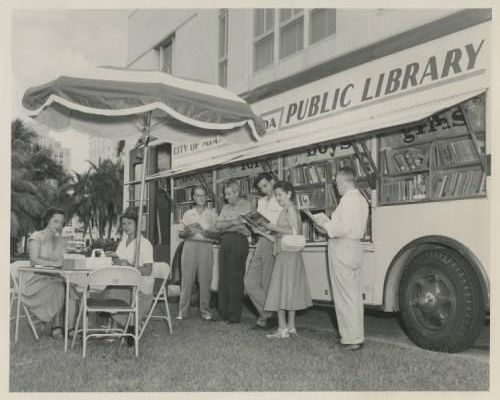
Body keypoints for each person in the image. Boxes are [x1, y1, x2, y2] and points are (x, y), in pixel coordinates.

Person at [312, 167, 369, 351]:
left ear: (344, 181)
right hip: (355, 247)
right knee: (353, 295)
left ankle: (351, 339)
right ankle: (354, 336)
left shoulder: (348, 200)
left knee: (344, 296)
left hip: (343, 248)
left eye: (337, 183)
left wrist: (325, 224)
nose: (337, 187)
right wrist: (329, 226)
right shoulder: (361, 200)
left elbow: (342, 228)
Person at [263, 181, 313, 339]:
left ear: (289, 194)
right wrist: (262, 231)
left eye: (280, 194)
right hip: (290, 254)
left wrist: (273, 227)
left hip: (286, 255)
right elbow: (280, 237)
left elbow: (293, 232)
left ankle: (282, 328)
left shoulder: (290, 209)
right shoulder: (289, 209)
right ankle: (290, 327)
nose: (278, 198)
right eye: (276, 195)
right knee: (290, 290)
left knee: (279, 290)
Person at [27, 207, 78, 339]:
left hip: (55, 278)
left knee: (72, 288)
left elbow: (64, 260)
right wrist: (55, 264)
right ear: (47, 220)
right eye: (55, 221)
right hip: (36, 280)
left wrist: (74, 259)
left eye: (61, 223)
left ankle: (70, 328)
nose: (59, 225)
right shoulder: (36, 237)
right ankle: (56, 327)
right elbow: (34, 260)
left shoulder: (60, 240)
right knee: (59, 287)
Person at [105, 209, 154, 344]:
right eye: (124, 224)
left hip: (141, 284)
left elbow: (148, 270)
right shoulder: (123, 242)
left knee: (115, 288)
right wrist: (114, 259)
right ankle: (118, 324)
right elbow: (120, 261)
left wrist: (130, 266)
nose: (126, 227)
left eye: (130, 223)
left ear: (137, 224)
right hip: (124, 280)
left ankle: (117, 327)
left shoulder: (145, 244)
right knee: (108, 286)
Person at [244, 172, 282, 329]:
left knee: (267, 282)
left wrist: (267, 227)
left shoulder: (280, 199)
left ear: (272, 182)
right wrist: (253, 226)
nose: (263, 189)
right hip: (261, 240)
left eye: (265, 185)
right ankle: (269, 314)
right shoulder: (260, 202)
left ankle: (266, 318)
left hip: (272, 240)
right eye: (260, 188)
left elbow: (282, 224)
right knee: (249, 282)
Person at [177, 185, 218, 320]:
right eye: (198, 195)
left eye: (203, 195)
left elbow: (217, 235)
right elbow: (181, 234)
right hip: (190, 246)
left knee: (205, 279)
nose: (201, 198)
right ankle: (183, 311)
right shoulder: (188, 214)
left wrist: (207, 233)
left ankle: (205, 311)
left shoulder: (212, 214)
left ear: (207, 197)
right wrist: (188, 231)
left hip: (206, 247)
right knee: (187, 279)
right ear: (194, 197)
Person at [214, 180, 252, 324]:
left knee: (235, 278)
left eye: (229, 194)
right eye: (225, 194)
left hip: (239, 241)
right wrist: (233, 222)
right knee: (223, 278)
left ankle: (234, 315)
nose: (226, 197)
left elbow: (244, 227)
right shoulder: (225, 207)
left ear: (237, 192)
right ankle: (223, 313)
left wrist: (227, 225)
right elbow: (218, 225)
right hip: (225, 241)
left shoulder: (247, 205)